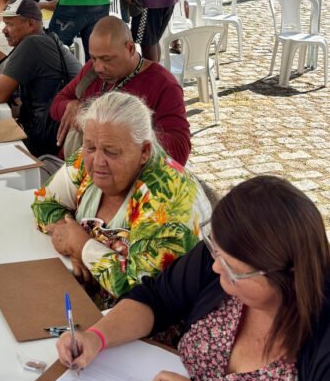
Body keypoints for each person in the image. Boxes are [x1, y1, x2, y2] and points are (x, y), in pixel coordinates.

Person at [57, 175, 330, 381]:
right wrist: (97, 337)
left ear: (286, 278)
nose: (216, 267)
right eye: (216, 252)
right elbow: (157, 297)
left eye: (232, 269)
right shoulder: (224, 253)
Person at [33, 92, 210, 301]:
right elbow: (45, 202)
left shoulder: (168, 199)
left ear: (144, 151)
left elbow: (141, 291)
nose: (97, 161)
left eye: (112, 152)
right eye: (90, 147)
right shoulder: (90, 154)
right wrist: (70, 239)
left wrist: (83, 247)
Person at [51, 16, 191, 166]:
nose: (98, 67)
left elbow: (180, 151)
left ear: (130, 48)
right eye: (94, 58)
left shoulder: (164, 84)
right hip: (71, 167)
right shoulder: (91, 71)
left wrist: (127, 132)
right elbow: (57, 103)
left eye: (107, 59)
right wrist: (71, 107)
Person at [0, 0, 81, 157]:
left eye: (10, 24)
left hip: (46, 139)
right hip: (56, 132)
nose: (4, 30)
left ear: (31, 23)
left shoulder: (32, 44)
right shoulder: (49, 37)